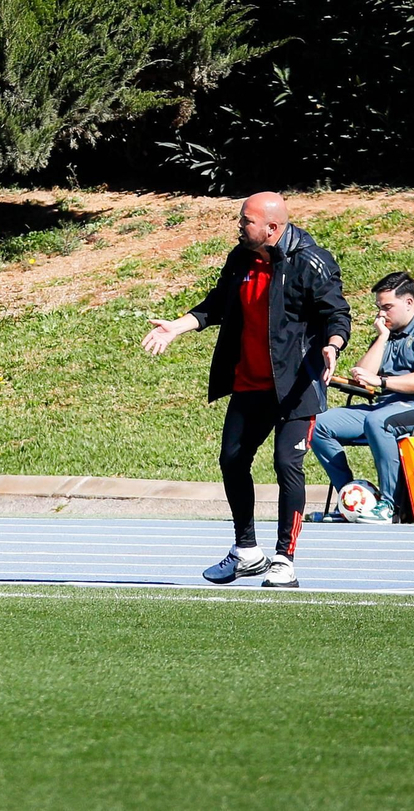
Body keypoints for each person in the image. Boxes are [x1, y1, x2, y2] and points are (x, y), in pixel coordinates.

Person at [142, 192, 351, 588]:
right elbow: (218, 304)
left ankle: (284, 560)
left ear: (272, 228)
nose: (239, 226)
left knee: (286, 466)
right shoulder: (241, 258)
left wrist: (333, 344)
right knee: (232, 460)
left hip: (295, 387)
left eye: (246, 221)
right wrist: (177, 326)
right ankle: (246, 552)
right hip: (250, 384)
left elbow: (336, 313)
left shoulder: (312, 261)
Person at [311, 271, 414, 523]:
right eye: (378, 308)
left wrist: (382, 382)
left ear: (409, 303)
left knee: (378, 422)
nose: (381, 315)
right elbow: (363, 375)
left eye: (387, 307)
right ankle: (353, 500)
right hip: (389, 408)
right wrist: (382, 338)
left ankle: (389, 506)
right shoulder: (389, 334)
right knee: (318, 425)